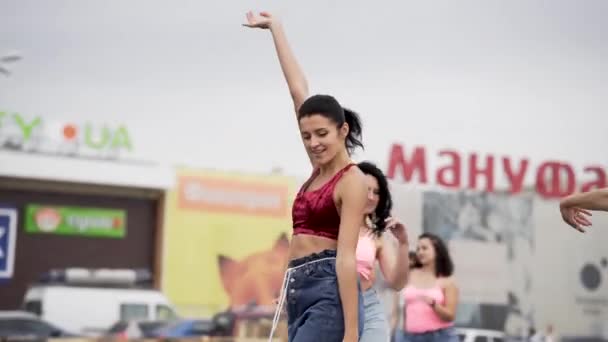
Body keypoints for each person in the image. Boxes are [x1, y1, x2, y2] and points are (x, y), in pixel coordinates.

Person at [243, 11, 367, 342]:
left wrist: (352, 332)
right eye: (306, 135)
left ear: (343, 130)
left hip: (328, 292)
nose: (313, 142)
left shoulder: (352, 180)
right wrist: (276, 29)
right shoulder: (316, 172)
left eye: (322, 134)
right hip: (295, 288)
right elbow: (298, 89)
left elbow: (346, 257)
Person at [356, 161, 410, 342]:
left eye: (376, 192)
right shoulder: (327, 227)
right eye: (366, 189)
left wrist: (403, 243)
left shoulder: (377, 236)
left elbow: (397, 283)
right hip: (329, 308)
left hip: (368, 309)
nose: (371, 197)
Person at [396, 233, 459, 342]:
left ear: (437, 251)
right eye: (418, 248)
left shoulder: (448, 281)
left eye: (424, 248)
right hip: (409, 336)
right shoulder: (410, 273)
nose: (420, 252)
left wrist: (434, 305)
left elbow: (450, 316)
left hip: (440, 336)